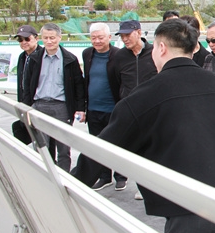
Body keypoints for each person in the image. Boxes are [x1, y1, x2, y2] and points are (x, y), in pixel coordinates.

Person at [79, 18, 215, 233]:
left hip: (187, 206)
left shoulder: (146, 95)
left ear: (160, 48)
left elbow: (102, 148)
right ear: (193, 48)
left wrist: (67, 182)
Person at [22, 23, 86, 172]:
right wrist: (26, 106)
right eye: (45, 38)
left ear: (59, 38)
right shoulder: (34, 58)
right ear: (41, 38)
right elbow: (27, 84)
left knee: (63, 148)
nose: (49, 41)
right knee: (40, 146)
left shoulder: (70, 59)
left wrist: (80, 108)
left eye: (52, 38)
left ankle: (64, 176)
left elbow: (79, 86)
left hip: (61, 107)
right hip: (39, 105)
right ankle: (43, 174)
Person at [113, 19, 158, 199]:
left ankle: (150, 186)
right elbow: (115, 82)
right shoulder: (120, 57)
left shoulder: (154, 52)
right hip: (130, 110)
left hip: (152, 109)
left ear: (139, 32)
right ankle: (138, 183)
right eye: (122, 36)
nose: (125, 39)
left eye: (128, 35)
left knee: (152, 150)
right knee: (132, 148)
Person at [82, 23, 127, 191]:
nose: (97, 41)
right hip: (94, 109)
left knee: (118, 143)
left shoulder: (119, 55)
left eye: (100, 37)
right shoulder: (87, 54)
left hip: (113, 108)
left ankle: (121, 176)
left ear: (109, 37)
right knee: (98, 144)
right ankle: (104, 176)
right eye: (93, 38)